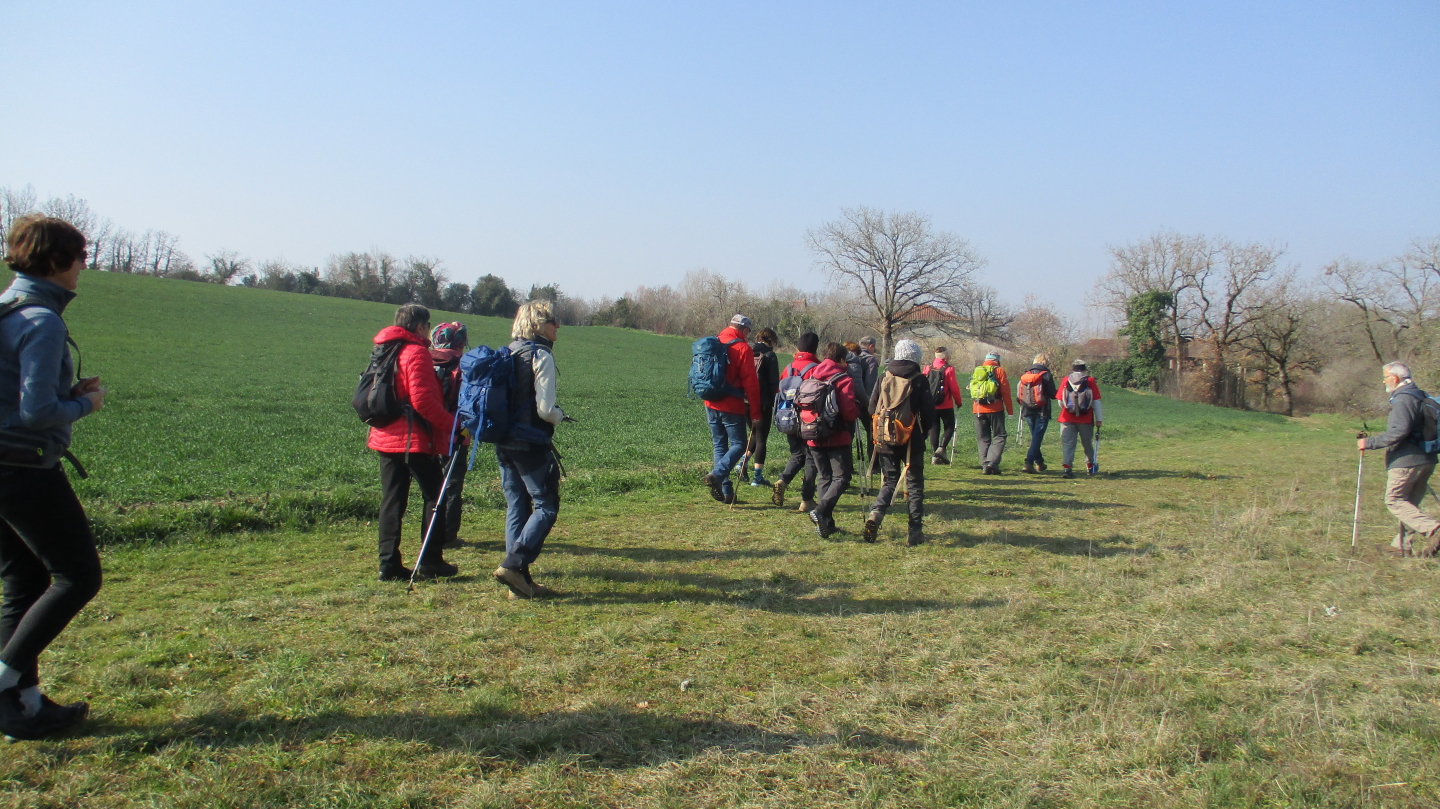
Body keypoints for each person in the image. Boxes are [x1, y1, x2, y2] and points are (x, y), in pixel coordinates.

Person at [0, 215, 106, 739]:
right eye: (81, 256)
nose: (84, 265)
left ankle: (24, 707)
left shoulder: (6, 308)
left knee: (24, 580)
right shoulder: (42, 320)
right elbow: (37, 412)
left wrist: (67, 393)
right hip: (21, 469)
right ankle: (2, 683)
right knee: (78, 576)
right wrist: (85, 403)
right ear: (58, 259)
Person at [369, 304, 458, 582]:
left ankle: (388, 564)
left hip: (384, 435)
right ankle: (431, 560)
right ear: (420, 327)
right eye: (427, 326)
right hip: (412, 437)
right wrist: (453, 427)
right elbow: (423, 402)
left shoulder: (383, 350)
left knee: (392, 501)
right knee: (435, 496)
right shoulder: (416, 352)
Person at [493, 300, 569, 598]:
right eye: (552, 320)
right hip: (529, 442)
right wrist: (560, 416)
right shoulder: (541, 355)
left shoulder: (508, 351)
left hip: (503, 442)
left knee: (517, 506)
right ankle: (513, 566)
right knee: (546, 505)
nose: (557, 325)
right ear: (538, 325)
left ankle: (518, 581)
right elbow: (545, 409)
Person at [1358, 362, 1440, 556]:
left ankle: (1434, 529)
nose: (1384, 381)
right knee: (1409, 504)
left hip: (1406, 460)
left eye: (1385, 377)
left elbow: (1399, 431)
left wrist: (1369, 442)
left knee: (1394, 500)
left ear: (1394, 378)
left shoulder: (1403, 399)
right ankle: (1401, 546)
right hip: (1427, 459)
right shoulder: (1420, 395)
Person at [863, 340, 937, 546]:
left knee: (890, 480)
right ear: (915, 357)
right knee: (914, 484)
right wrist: (922, 432)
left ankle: (876, 514)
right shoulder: (919, 380)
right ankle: (914, 532)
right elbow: (929, 414)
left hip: (885, 437)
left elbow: (871, 408)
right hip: (911, 438)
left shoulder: (884, 376)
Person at [702, 315, 761, 505]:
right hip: (732, 404)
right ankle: (717, 475)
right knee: (739, 444)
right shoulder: (743, 348)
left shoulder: (714, 342)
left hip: (711, 402)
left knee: (720, 446)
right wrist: (755, 413)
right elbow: (751, 383)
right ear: (744, 330)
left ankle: (726, 492)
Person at [806, 342, 862, 538]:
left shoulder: (812, 375)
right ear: (842, 359)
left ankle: (827, 524)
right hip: (836, 436)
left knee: (824, 477)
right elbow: (848, 412)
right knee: (842, 477)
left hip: (812, 433)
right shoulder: (843, 379)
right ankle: (820, 511)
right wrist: (857, 408)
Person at [429, 322, 469, 550]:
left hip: (427, 431)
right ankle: (448, 535)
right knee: (453, 483)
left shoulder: (424, 361)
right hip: (457, 431)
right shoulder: (464, 365)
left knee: (431, 484)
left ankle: (430, 531)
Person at [772, 331, 820, 512]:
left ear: (798, 348)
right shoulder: (816, 368)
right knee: (811, 457)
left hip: (788, 418)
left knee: (797, 454)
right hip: (808, 420)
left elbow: (779, 392)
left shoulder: (788, 368)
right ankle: (807, 499)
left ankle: (783, 480)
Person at [1056, 359, 1103, 479]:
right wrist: (1099, 419)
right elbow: (1096, 401)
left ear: (1073, 368)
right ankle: (1090, 466)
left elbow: (1060, 401)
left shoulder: (1066, 380)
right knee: (1087, 443)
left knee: (1068, 444)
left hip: (1066, 418)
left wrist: (1068, 408)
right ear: (1084, 369)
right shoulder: (1090, 380)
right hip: (1085, 418)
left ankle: (1067, 468)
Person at [745, 328, 780, 487]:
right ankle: (757, 477)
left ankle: (742, 463)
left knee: (753, 434)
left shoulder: (748, 352)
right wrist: (774, 403)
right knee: (761, 438)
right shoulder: (770, 355)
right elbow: (774, 382)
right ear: (772, 340)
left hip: (745, 401)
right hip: (763, 402)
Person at [973, 352, 1015, 475]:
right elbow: (1005, 392)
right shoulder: (999, 371)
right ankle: (992, 462)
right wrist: (1010, 411)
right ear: (997, 360)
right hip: (995, 408)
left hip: (978, 408)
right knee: (999, 435)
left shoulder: (978, 370)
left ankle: (984, 464)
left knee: (982, 437)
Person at [1016, 354, 1058, 474]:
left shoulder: (1026, 374)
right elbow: (1052, 394)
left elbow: (1019, 395)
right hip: (1042, 411)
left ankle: (1039, 462)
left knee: (1036, 437)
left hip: (1027, 410)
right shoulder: (1046, 375)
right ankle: (1028, 462)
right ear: (1045, 362)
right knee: (1037, 438)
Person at [927, 348, 963, 464]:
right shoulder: (949, 369)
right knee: (949, 427)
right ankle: (941, 448)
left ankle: (935, 456)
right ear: (946, 356)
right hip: (945, 404)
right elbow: (954, 388)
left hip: (931, 404)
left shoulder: (928, 368)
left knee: (934, 428)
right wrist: (958, 401)